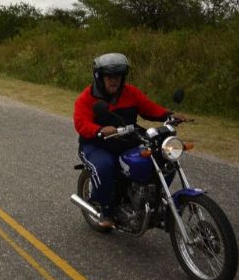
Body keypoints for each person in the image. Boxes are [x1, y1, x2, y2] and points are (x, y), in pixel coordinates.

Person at [73, 52, 190, 228]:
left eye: (118, 76)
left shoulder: (130, 92)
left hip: (127, 140)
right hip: (96, 144)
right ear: (99, 77)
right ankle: (106, 211)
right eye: (109, 77)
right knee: (105, 167)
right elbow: (81, 123)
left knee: (164, 158)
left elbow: (148, 107)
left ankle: (152, 200)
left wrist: (168, 115)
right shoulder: (87, 98)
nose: (114, 81)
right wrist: (99, 130)